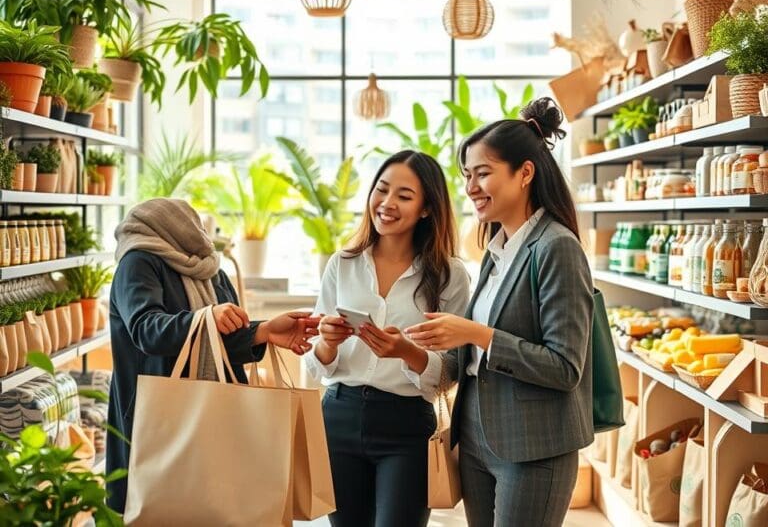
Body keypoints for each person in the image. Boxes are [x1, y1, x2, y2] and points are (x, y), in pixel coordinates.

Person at [406, 98, 594, 527]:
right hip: (477, 438)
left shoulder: (556, 247)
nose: (471, 186)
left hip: (533, 446)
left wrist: (476, 333)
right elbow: (469, 361)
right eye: (467, 175)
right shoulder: (496, 251)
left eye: (483, 173)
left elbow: (565, 367)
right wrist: (405, 350)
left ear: (525, 173)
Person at [106, 198, 319, 513]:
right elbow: (145, 329)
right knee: (157, 511)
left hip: (209, 415)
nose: (199, 235)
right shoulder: (138, 262)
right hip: (158, 420)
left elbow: (225, 338)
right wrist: (203, 318)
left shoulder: (209, 268)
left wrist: (266, 331)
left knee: (216, 507)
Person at [304, 151, 470, 527]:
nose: (387, 203)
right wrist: (328, 342)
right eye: (381, 190)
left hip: (407, 425)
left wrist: (408, 353)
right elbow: (316, 363)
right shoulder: (342, 263)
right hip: (339, 417)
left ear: (427, 209)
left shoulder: (449, 276)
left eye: (404, 196)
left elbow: (454, 368)